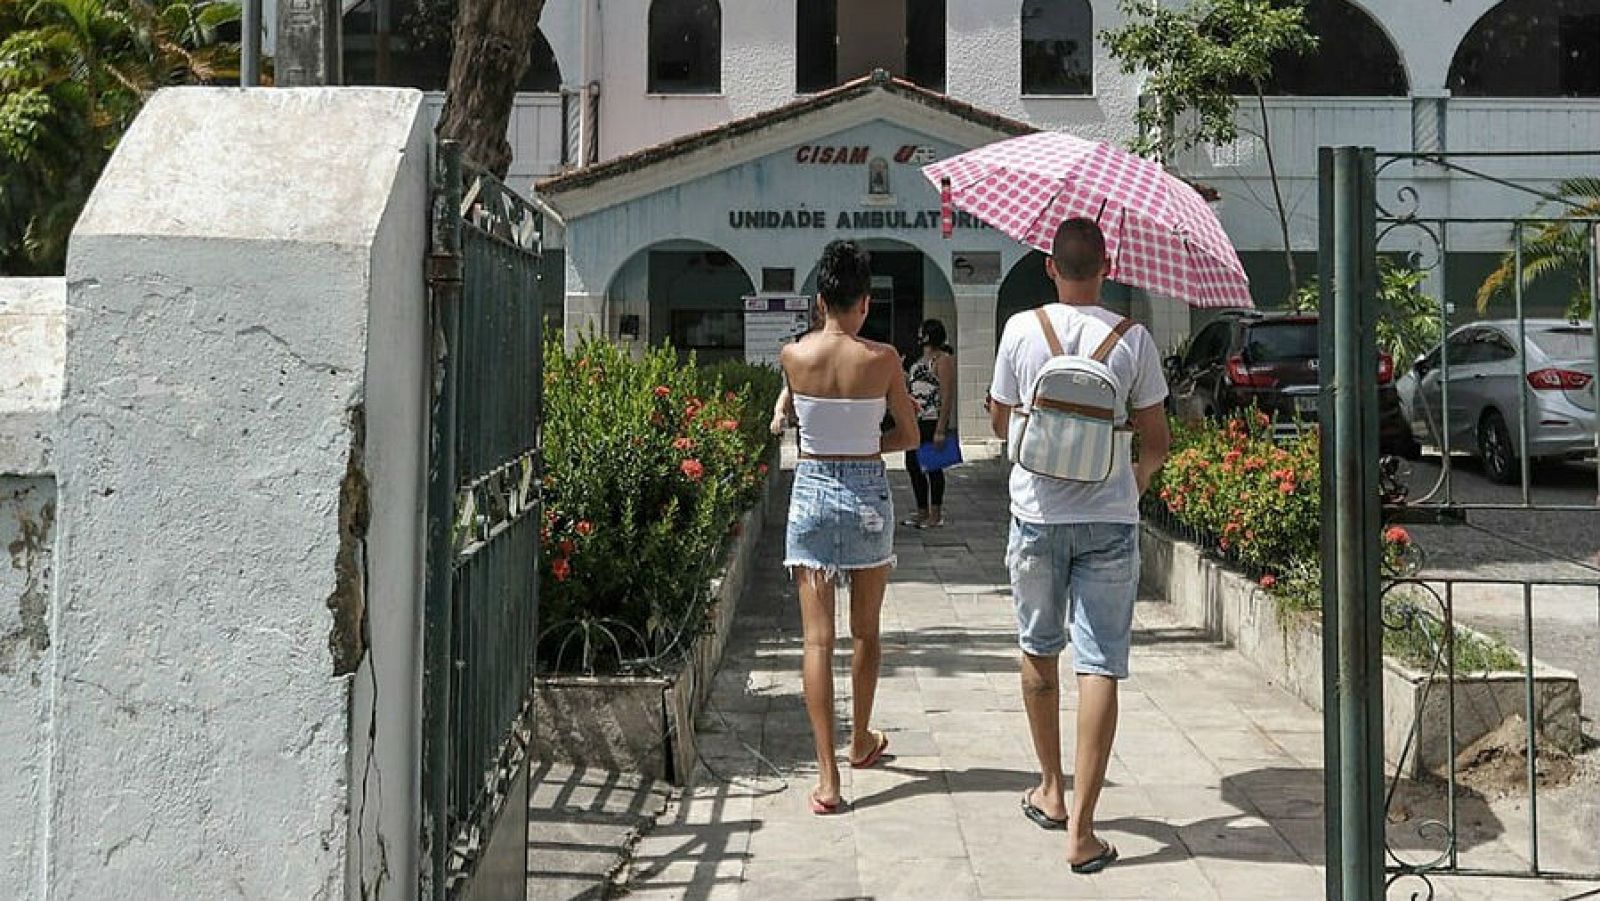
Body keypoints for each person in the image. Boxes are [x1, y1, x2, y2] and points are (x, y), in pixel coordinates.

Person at [986, 218, 1171, 873]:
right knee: (1099, 664)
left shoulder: (1018, 330)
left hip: (1035, 515)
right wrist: (1132, 485)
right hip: (1109, 519)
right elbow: (1156, 440)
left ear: (1048, 265)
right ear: (1107, 265)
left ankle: (1052, 790)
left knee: (1039, 650)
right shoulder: (1135, 338)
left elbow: (1001, 419)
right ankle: (1084, 833)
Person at [774, 240, 920, 814]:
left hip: (810, 492)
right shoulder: (883, 360)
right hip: (866, 495)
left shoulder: (793, 356)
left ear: (818, 301)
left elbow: (796, 418)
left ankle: (828, 776)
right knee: (866, 632)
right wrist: (867, 447)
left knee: (816, 641)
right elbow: (908, 436)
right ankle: (860, 739)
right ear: (864, 302)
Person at [902, 319, 957, 529]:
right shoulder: (920, 360)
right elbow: (915, 385)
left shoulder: (943, 360)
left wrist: (942, 428)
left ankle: (935, 513)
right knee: (913, 465)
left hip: (932, 419)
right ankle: (921, 510)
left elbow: (946, 394)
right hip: (916, 419)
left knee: (933, 467)